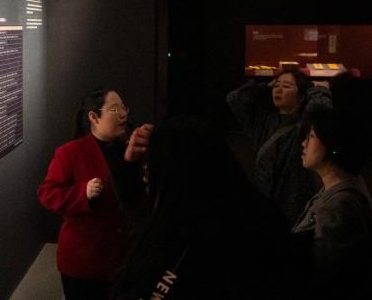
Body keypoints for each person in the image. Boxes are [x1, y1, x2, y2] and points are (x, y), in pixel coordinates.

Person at [112, 115, 292, 300]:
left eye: (150, 171)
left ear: (176, 175)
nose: (148, 181)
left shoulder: (198, 239)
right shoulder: (245, 210)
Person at [37, 87, 153, 300]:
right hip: (85, 261)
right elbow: (47, 193)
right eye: (115, 109)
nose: (123, 115)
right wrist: (82, 193)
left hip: (121, 259)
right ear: (94, 117)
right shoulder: (70, 152)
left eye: (124, 108)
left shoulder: (127, 149)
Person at [226, 69, 332, 225]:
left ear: (302, 96)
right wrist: (264, 85)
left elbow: (321, 107)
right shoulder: (264, 122)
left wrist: (317, 90)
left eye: (286, 86)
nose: (278, 89)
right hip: (263, 201)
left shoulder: (306, 124)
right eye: (276, 85)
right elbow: (234, 98)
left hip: (295, 202)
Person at [291, 107, 372, 300]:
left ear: (333, 145)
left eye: (312, 136)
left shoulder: (339, 206)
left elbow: (321, 273)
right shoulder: (343, 186)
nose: (304, 143)